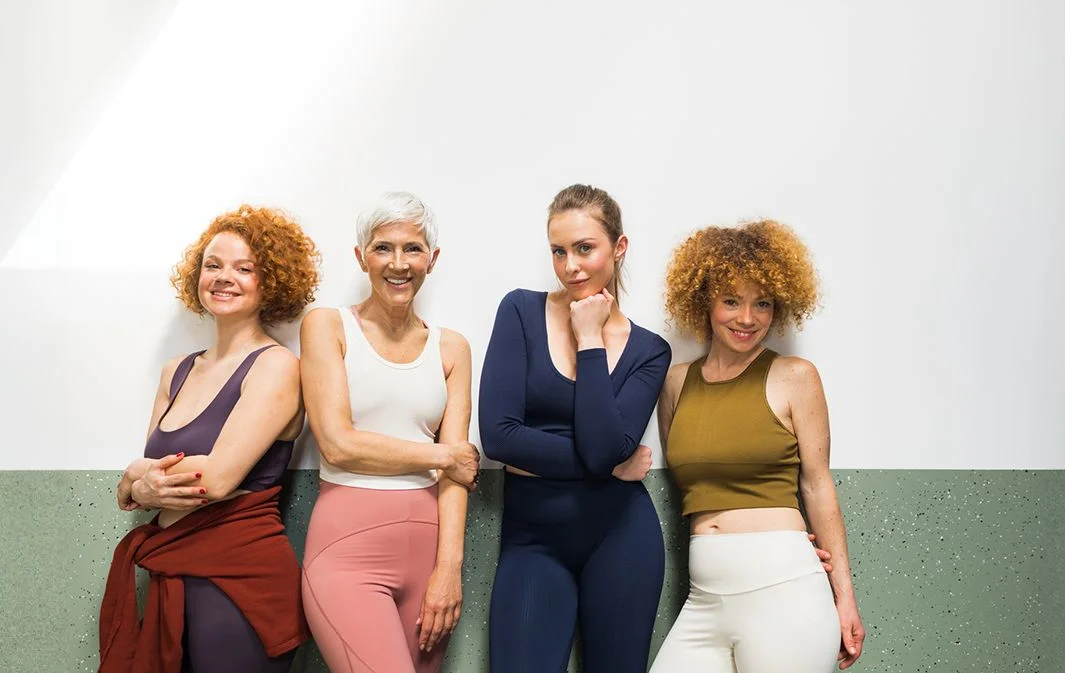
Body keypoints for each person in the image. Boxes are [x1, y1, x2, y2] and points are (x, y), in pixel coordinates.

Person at [100, 205, 320, 673]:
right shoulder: (175, 371)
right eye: (213, 265)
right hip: (172, 572)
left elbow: (216, 479)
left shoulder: (277, 367)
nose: (225, 278)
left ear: (272, 282)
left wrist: (137, 480)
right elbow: (141, 482)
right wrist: (136, 483)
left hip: (240, 583)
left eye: (245, 268)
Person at [647, 219, 866, 672]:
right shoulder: (675, 383)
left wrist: (844, 598)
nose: (747, 319)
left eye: (761, 303)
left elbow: (818, 486)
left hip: (784, 590)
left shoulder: (795, 376)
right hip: (704, 599)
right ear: (705, 300)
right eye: (731, 301)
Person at [480, 184, 671, 673]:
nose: (570, 266)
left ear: (618, 248)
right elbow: (499, 436)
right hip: (533, 540)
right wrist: (607, 468)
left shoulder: (649, 351)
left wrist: (589, 339)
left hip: (621, 535)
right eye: (559, 251)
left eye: (585, 248)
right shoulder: (520, 311)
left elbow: (604, 446)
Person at [298, 192, 478, 673]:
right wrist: (441, 456)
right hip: (346, 552)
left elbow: (458, 474)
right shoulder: (327, 327)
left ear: (431, 260)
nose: (398, 263)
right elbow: (338, 442)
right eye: (383, 248)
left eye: (413, 248)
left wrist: (449, 570)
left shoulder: (453, 348)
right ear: (361, 257)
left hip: (429, 558)